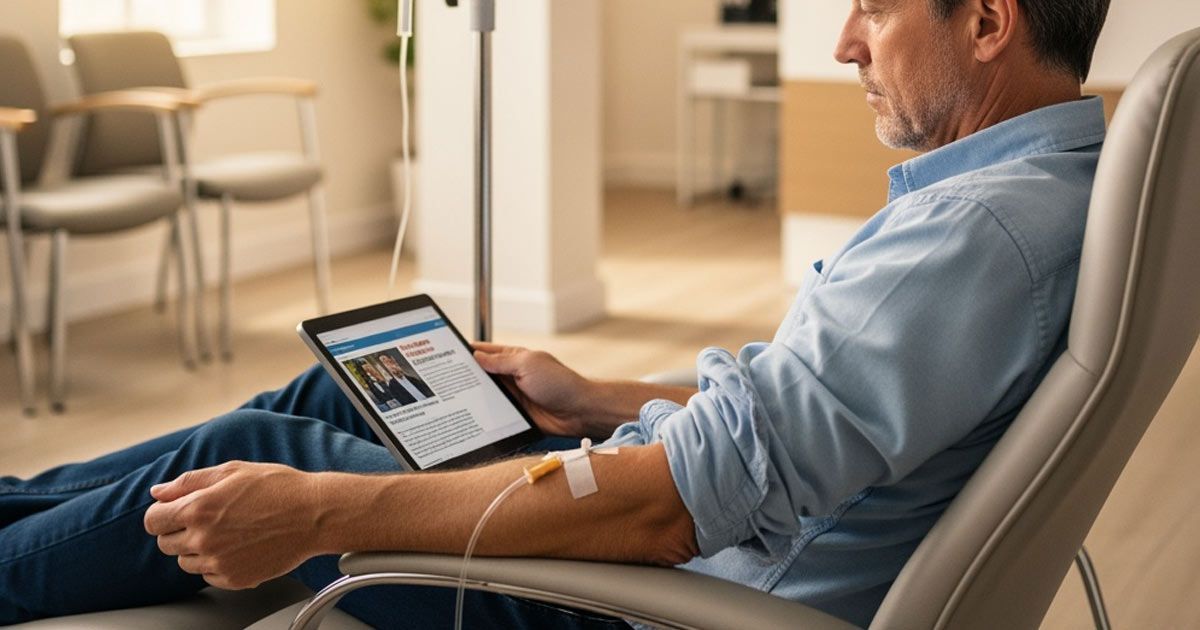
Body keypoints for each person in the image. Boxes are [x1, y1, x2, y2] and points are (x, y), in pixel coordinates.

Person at [0, 0, 1112, 626]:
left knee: (265, 449)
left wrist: (315, 511)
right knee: (333, 389)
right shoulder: (1045, 192)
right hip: (683, 526)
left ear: (986, 21)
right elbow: (815, 422)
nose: (844, 41)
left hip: (632, 593)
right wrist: (606, 402)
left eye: (875, 4)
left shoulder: (977, 234)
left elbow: (669, 514)